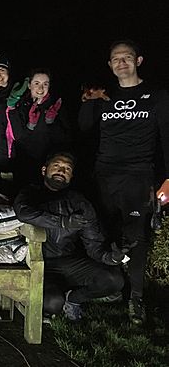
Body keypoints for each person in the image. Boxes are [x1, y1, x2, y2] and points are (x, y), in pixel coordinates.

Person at [78, 39, 169, 325]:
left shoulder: (157, 96)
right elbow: (83, 127)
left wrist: (168, 178)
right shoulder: (105, 96)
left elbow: (167, 137)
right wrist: (88, 102)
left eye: (127, 58)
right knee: (105, 233)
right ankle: (110, 288)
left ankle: (137, 299)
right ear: (110, 65)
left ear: (138, 60)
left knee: (136, 237)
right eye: (116, 59)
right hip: (105, 175)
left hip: (139, 176)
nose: (122, 63)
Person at [13, 152, 125, 322]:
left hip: (70, 263)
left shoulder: (79, 203)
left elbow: (94, 245)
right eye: (56, 166)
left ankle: (74, 299)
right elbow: (23, 213)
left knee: (114, 280)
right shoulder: (31, 192)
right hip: (38, 264)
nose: (61, 171)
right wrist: (63, 222)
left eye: (67, 169)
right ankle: (52, 297)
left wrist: (112, 258)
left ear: (71, 176)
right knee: (53, 303)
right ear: (44, 170)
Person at [9, 68, 72, 187]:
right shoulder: (21, 104)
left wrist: (50, 122)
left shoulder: (55, 106)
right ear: (29, 85)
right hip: (23, 162)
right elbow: (18, 137)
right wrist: (30, 126)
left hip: (46, 164)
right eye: (36, 83)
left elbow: (64, 139)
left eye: (45, 84)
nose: (40, 88)